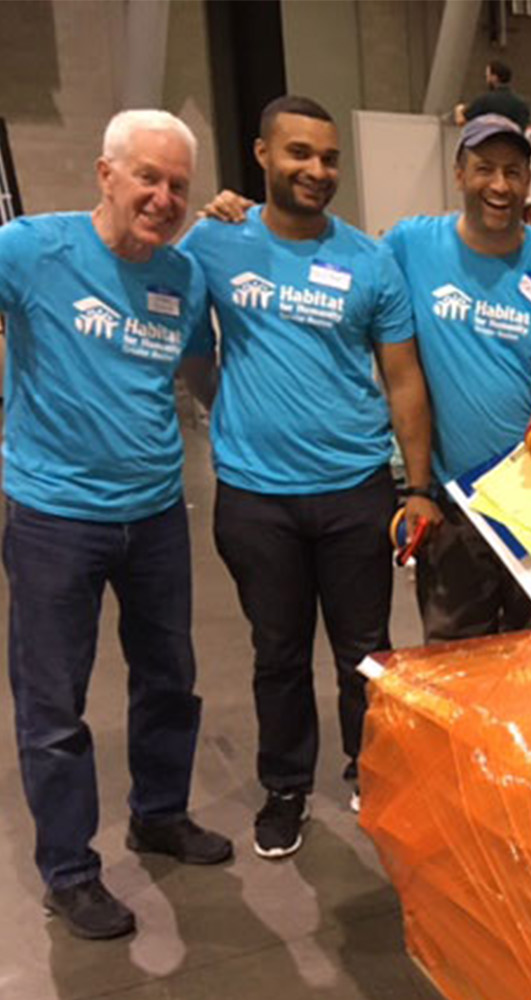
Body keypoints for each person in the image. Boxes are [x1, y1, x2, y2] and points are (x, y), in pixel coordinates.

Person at [179, 95, 439, 861]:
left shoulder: (370, 259)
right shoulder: (214, 244)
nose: (316, 170)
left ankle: (371, 770)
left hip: (355, 488)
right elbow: (195, 351)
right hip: (257, 498)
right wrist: (229, 410)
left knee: (365, 650)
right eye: (298, 154)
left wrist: (417, 486)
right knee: (277, 654)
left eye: (328, 158)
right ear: (261, 156)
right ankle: (285, 788)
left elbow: (403, 380)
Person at [0, 110, 230, 940]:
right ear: (106, 173)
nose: (163, 198)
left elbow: (200, 373)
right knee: (54, 706)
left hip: (157, 512)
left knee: (169, 676)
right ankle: (69, 870)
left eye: (177, 186)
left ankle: (159, 814)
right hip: (54, 518)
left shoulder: (183, 275)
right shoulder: (31, 250)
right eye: (147, 178)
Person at [384, 114, 531, 639]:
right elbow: (341, 259)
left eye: (513, 172)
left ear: (528, 181)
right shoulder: (411, 244)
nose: (499, 186)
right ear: (459, 173)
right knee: (456, 665)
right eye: (485, 169)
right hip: (451, 505)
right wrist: (249, 218)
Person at [454, 59, 531, 130]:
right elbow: (522, 129)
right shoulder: (522, 104)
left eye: (488, 76)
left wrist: (458, 110)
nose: (486, 79)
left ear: (494, 78)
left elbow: (461, 121)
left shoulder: (484, 100)